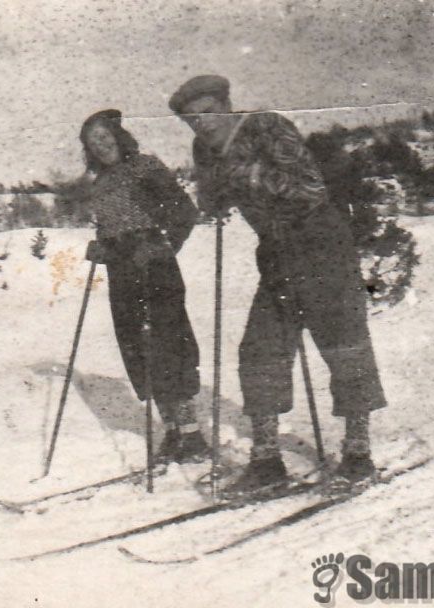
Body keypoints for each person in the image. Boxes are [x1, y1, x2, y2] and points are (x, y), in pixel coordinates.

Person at [168, 75, 388, 492]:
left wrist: (244, 176)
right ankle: (267, 461)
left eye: (208, 111)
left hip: (322, 245)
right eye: (192, 119)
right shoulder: (204, 149)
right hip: (276, 254)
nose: (202, 123)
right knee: (260, 352)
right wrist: (212, 197)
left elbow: (309, 187)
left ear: (226, 105)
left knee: (344, 348)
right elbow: (213, 202)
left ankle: (358, 455)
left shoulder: (267, 126)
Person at [79, 109, 208, 464]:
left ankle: (192, 434)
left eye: (105, 138)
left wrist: (163, 245)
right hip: (123, 270)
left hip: (155, 265)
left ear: (119, 136)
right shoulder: (98, 184)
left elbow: (184, 212)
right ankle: (171, 431)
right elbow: (109, 227)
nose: (102, 147)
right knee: (138, 347)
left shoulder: (146, 168)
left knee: (168, 344)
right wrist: (102, 247)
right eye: (94, 144)